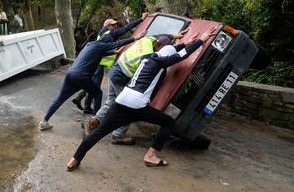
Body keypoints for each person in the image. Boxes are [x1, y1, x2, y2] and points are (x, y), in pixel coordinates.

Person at [66, 35, 212, 172]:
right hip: (137, 105)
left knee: (98, 133)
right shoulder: (162, 61)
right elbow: (181, 55)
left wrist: (184, 43)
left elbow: (174, 51)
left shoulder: (147, 58)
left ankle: (74, 159)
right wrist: (201, 41)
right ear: (166, 55)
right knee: (169, 123)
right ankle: (150, 156)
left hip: (121, 101)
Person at [84, 29, 188, 145]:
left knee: (111, 101)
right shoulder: (148, 56)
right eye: (163, 49)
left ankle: (92, 123)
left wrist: (175, 37)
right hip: (121, 76)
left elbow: (157, 34)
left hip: (115, 70)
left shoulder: (148, 40)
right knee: (126, 107)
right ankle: (118, 136)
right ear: (159, 46)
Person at [38, 30, 147, 131]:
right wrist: (135, 38)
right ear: (107, 41)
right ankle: (94, 121)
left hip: (70, 74)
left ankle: (44, 121)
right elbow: (117, 44)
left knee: (60, 99)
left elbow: (99, 53)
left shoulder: (90, 44)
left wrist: (114, 52)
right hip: (81, 76)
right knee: (98, 93)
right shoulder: (102, 45)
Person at [72, 13, 150, 114]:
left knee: (92, 84)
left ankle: (79, 98)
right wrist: (141, 19)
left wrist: (114, 52)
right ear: (107, 26)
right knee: (95, 87)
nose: (115, 27)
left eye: (116, 25)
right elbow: (126, 28)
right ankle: (89, 108)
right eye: (113, 25)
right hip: (99, 64)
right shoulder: (109, 34)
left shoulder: (103, 34)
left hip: (98, 62)